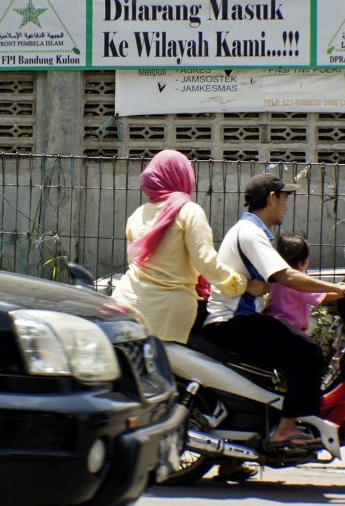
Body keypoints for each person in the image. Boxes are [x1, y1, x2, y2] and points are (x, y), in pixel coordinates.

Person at [111, 150, 268, 482]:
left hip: (128, 309)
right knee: (228, 355)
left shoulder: (138, 214)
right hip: (171, 313)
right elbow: (206, 261)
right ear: (182, 177)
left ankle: (228, 454)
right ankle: (229, 430)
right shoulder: (188, 210)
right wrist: (241, 285)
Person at [201, 172, 345, 450]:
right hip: (233, 323)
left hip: (236, 321)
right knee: (308, 352)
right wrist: (340, 289)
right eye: (286, 198)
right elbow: (288, 277)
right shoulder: (251, 234)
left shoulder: (251, 232)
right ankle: (286, 430)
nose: (287, 206)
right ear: (272, 198)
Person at [262, 233, 342, 333]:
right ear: (301, 263)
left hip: (274, 326)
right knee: (313, 349)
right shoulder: (297, 283)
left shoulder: (278, 277)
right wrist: (342, 292)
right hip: (289, 331)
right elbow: (323, 296)